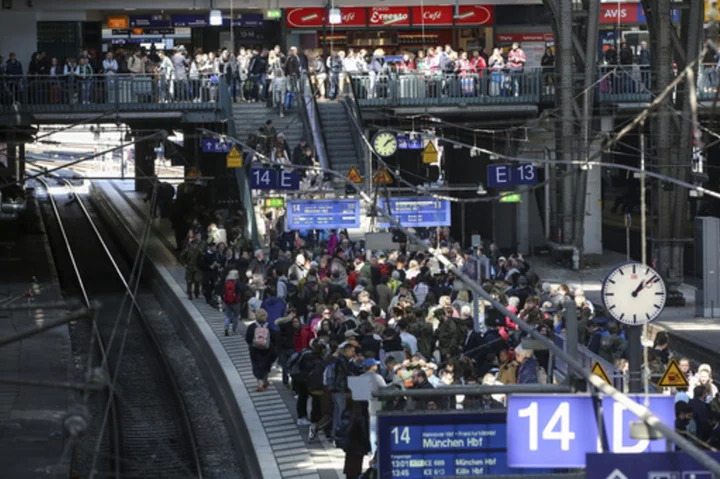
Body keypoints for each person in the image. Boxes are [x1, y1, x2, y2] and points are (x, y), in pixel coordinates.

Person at [245, 308, 276, 391]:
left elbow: (248, 338)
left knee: (257, 365)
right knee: (266, 365)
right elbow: (274, 338)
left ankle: (260, 384)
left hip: (255, 349)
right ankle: (265, 380)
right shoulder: (269, 326)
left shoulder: (252, 326)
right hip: (267, 349)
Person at [223, 269, 242, 336]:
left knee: (228, 316)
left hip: (227, 302)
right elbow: (242, 289)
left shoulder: (226, 282)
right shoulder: (237, 282)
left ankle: (226, 329)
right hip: (236, 302)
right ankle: (234, 331)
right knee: (235, 317)